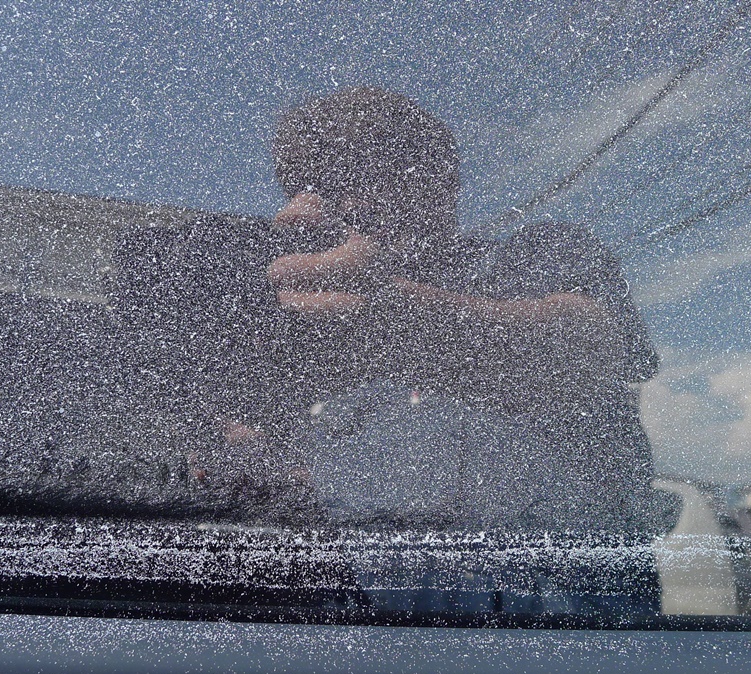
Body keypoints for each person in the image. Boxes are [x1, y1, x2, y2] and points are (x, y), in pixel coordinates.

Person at [242, 87, 667, 613]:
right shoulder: (302, 325)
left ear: (438, 179)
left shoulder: (540, 254)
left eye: (355, 175)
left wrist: (399, 312)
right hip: (350, 630)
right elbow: (284, 472)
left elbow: (599, 346)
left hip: (574, 629)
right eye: (308, 187)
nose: (325, 206)